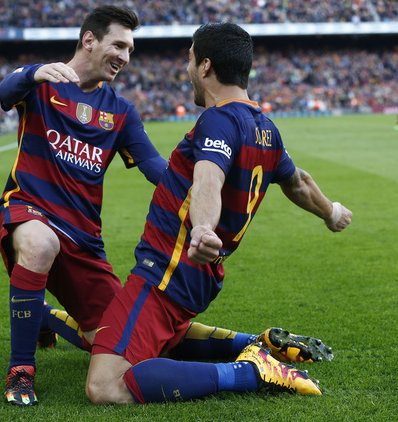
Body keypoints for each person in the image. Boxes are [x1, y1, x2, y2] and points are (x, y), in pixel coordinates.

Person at [85, 22, 353, 405]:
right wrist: (331, 212)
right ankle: (256, 344)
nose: (188, 69)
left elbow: (208, 176)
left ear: (206, 66)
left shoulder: (218, 120)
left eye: (191, 60)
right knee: (140, 331)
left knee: (106, 385)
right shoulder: (266, 129)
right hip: (198, 275)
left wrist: (203, 228)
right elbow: (299, 182)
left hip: (168, 270)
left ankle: (251, 372)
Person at [0, 5, 167, 407]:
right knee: (39, 246)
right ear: (89, 40)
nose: (125, 57)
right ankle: (21, 369)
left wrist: (197, 187)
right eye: (119, 45)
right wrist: (34, 71)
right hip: (29, 209)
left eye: (130, 50)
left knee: (112, 345)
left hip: (85, 239)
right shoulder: (43, 82)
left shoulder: (121, 112)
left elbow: (153, 166)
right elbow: (4, 94)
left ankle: (42, 316)